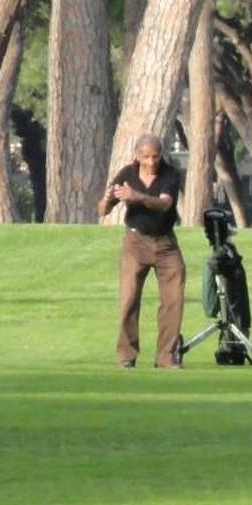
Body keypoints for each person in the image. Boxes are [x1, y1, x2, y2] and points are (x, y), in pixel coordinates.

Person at [99, 134, 186, 369]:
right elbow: (103, 209)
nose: (151, 162)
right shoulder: (127, 174)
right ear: (137, 156)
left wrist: (137, 196)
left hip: (166, 244)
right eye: (146, 157)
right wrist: (107, 200)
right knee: (129, 299)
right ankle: (126, 355)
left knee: (173, 301)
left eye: (155, 156)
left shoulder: (170, 174)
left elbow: (165, 204)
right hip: (135, 243)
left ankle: (166, 357)